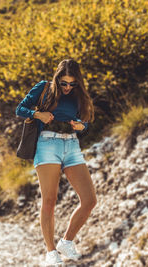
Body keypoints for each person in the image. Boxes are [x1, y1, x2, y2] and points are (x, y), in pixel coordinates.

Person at [16, 59, 97, 266]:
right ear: (57, 79)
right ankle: (51, 252)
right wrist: (38, 114)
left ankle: (66, 242)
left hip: (71, 144)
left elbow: (85, 125)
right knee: (49, 201)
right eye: (64, 83)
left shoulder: (79, 96)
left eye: (72, 83)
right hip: (47, 144)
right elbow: (20, 109)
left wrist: (82, 127)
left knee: (89, 200)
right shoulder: (44, 88)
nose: (68, 87)